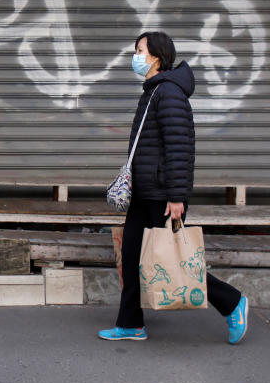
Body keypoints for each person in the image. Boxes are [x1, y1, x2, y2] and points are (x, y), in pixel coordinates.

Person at [99, 31, 249, 344]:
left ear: (156, 56)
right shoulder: (153, 91)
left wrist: (177, 196)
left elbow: (180, 148)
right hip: (144, 191)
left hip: (161, 194)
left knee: (174, 260)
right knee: (131, 255)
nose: (135, 56)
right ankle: (130, 323)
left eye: (139, 50)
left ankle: (232, 302)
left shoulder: (168, 93)